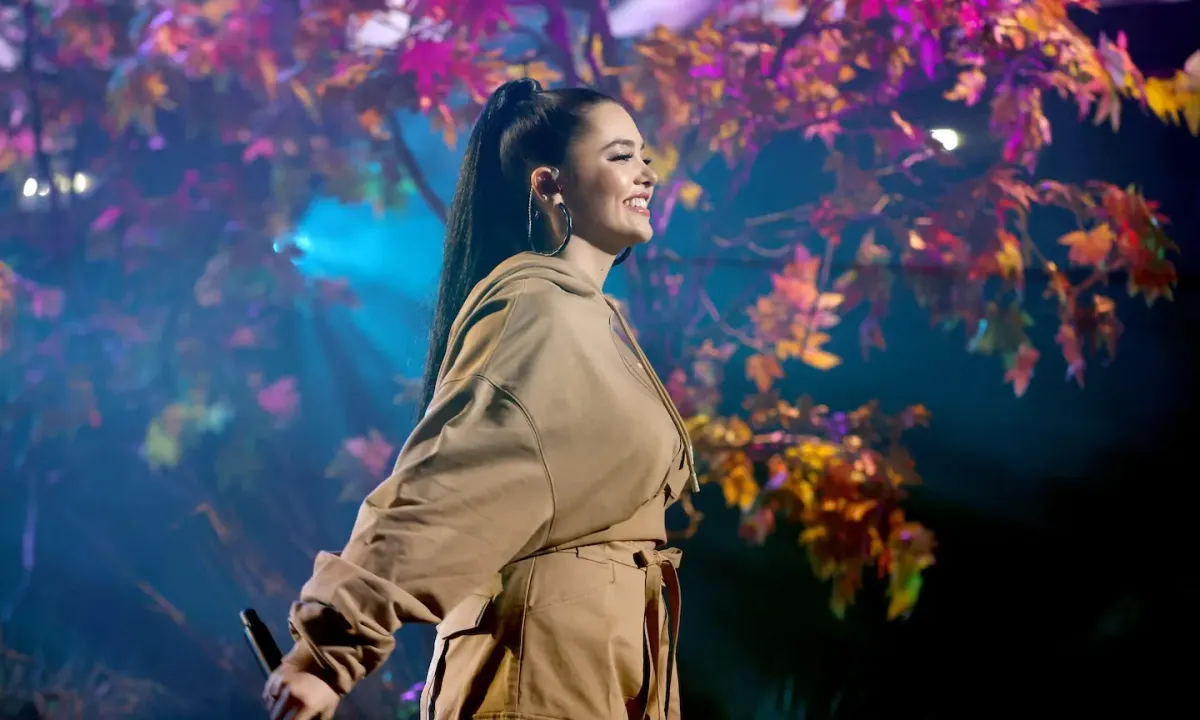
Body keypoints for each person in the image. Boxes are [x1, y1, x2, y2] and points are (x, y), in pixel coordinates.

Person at [262, 77, 697, 720]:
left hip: (594, 671)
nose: (647, 174)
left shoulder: (587, 319)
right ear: (548, 185)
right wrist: (328, 654)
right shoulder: (538, 308)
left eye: (646, 158)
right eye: (620, 156)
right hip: (540, 675)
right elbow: (453, 479)